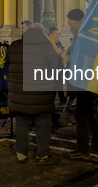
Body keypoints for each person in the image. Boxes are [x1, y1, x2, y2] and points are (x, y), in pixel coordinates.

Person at [7, 24, 60, 165]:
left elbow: (6, 66)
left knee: (22, 123)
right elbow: (58, 69)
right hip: (41, 94)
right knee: (42, 125)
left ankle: (21, 153)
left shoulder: (15, 46)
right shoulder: (47, 47)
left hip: (19, 95)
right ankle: (42, 155)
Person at [65, 8, 98, 159]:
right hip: (85, 79)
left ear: (77, 20)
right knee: (89, 113)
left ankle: (83, 149)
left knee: (80, 115)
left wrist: (70, 60)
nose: (68, 22)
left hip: (85, 80)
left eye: (70, 19)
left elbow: (85, 57)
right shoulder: (83, 34)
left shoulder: (83, 35)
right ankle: (97, 144)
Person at [47, 26, 66, 104]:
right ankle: (52, 100)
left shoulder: (58, 43)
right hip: (52, 67)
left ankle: (62, 98)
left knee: (59, 82)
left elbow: (60, 52)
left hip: (59, 66)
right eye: (55, 34)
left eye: (58, 34)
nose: (57, 35)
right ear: (50, 35)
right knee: (53, 84)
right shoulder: (48, 44)